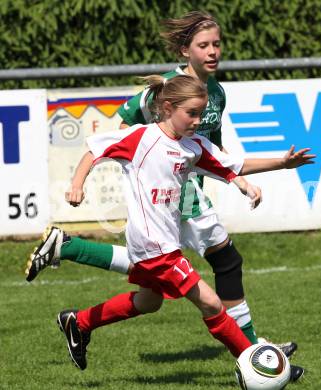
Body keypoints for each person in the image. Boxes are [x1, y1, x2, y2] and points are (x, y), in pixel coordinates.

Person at [27, 11, 289, 355]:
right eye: (204, 45)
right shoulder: (166, 90)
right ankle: (254, 354)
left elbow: (215, 150)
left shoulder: (216, 94)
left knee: (151, 295)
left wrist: (240, 180)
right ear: (185, 50)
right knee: (219, 269)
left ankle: (73, 277)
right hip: (176, 196)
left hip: (182, 191)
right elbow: (122, 129)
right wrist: (144, 166)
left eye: (217, 44)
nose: (213, 52)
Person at [56, 75, 313, 379]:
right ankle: (257, 366)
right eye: (191, 113)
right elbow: (94, 150)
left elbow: (234, 164)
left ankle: (80, 322)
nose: (196, 121)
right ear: (167, 107)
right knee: (211, 302)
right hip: (156, 248)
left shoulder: (193, 147)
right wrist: (76, 184)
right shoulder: (141, 138)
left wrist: (281, 164)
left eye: (200, 114)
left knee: (149, 301)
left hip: (163, 243)